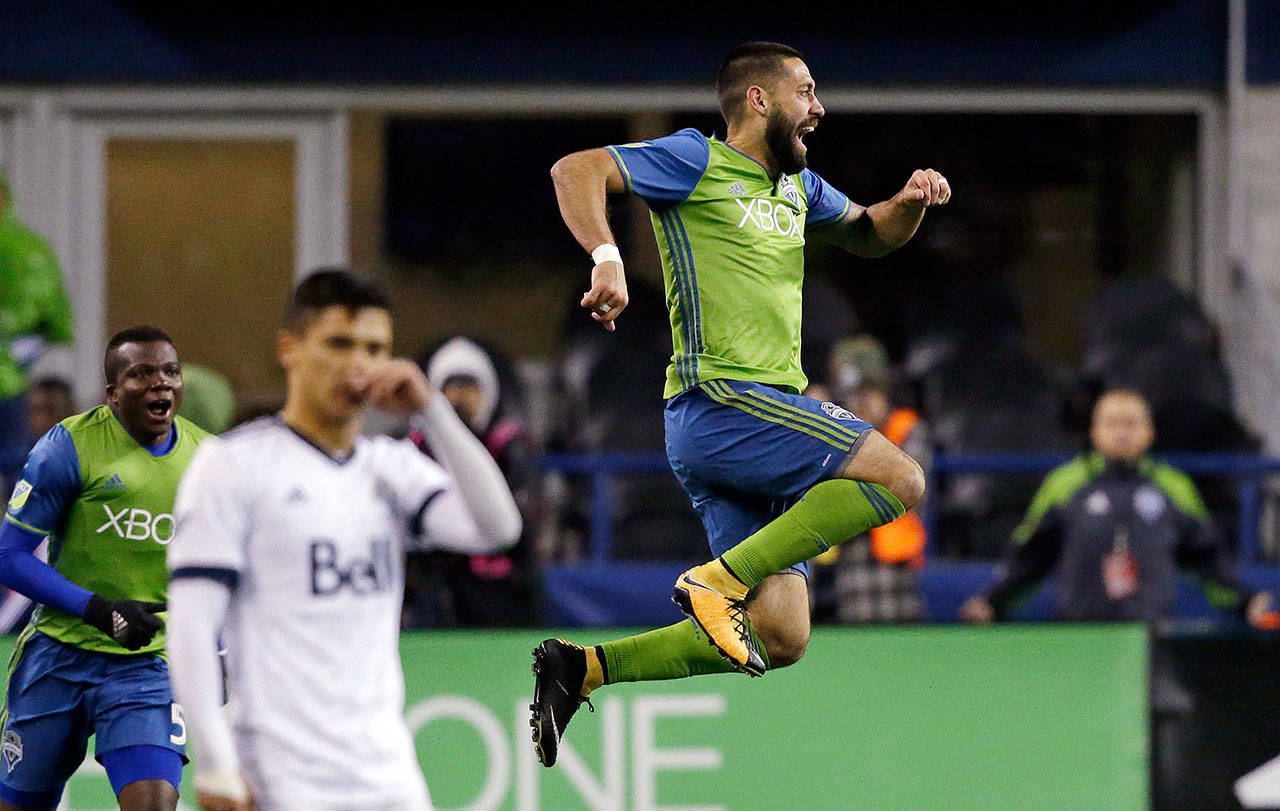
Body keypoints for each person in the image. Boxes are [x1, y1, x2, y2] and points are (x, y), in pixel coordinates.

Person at [532, 41, 950, 767]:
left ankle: (583, 668)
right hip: (723, 399)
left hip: (745, 434)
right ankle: (712, 581)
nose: (819, 109)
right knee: (900, 477)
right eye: (807, 92)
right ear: (759, 100)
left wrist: (908, 205)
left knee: (782, 636)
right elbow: (577, 168)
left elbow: (871, 234)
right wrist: (607, 258)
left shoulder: (800, 188)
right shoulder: (697, 159)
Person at [166, 270, 522, 811]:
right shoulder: (234, 465)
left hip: (389, 779)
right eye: (338, 343)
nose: (358, 364)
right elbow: (191, 625)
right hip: (283, 780)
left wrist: (433, 409)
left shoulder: (390, 468)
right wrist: (216, 762)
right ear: (290, 348)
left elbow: (499, 529)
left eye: (375, 348)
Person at [0, 326, 208, 811]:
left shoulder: (207, 461)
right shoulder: (67, 448)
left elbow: (219, 570)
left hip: (146, 666)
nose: (161, 384)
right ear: (112, 394)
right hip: (58, 656)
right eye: (142, 374)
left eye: (170, 372)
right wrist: (97, 610)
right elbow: (9, 557)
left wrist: (215, 644)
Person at [959, 389, 1276, 625]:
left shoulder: (1172, 486)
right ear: (1095, 433)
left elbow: (1207, 560)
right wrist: (992, 602)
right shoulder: (1065, 483)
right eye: (1111, 423)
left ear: (1149, 433)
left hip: (1150, 632)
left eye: (1131, 423)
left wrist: (1244, 602)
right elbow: (1031, 556)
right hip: (1079, 632)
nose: (1122, 431)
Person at [402, 336, 540, 627]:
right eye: (452, 387)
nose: (461, 398)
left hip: (499, 595)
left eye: (470, 387)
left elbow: (518, 531)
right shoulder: (411, 450)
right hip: (433, 593)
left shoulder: (511, 447)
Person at [810, 336, 928, 623]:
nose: (860, 403)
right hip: (836, 570)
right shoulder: (835, 431)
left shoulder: (906, 429)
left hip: (890, 576)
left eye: (868, 393)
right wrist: (813, 421)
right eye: (853, 395)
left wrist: (861, 431)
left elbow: (900, 490)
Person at [0, 169, 75, 482]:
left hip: (12, 385)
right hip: (12, 380)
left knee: (17, 460)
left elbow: (50, 314)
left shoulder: (26, 250)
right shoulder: (28, 248)